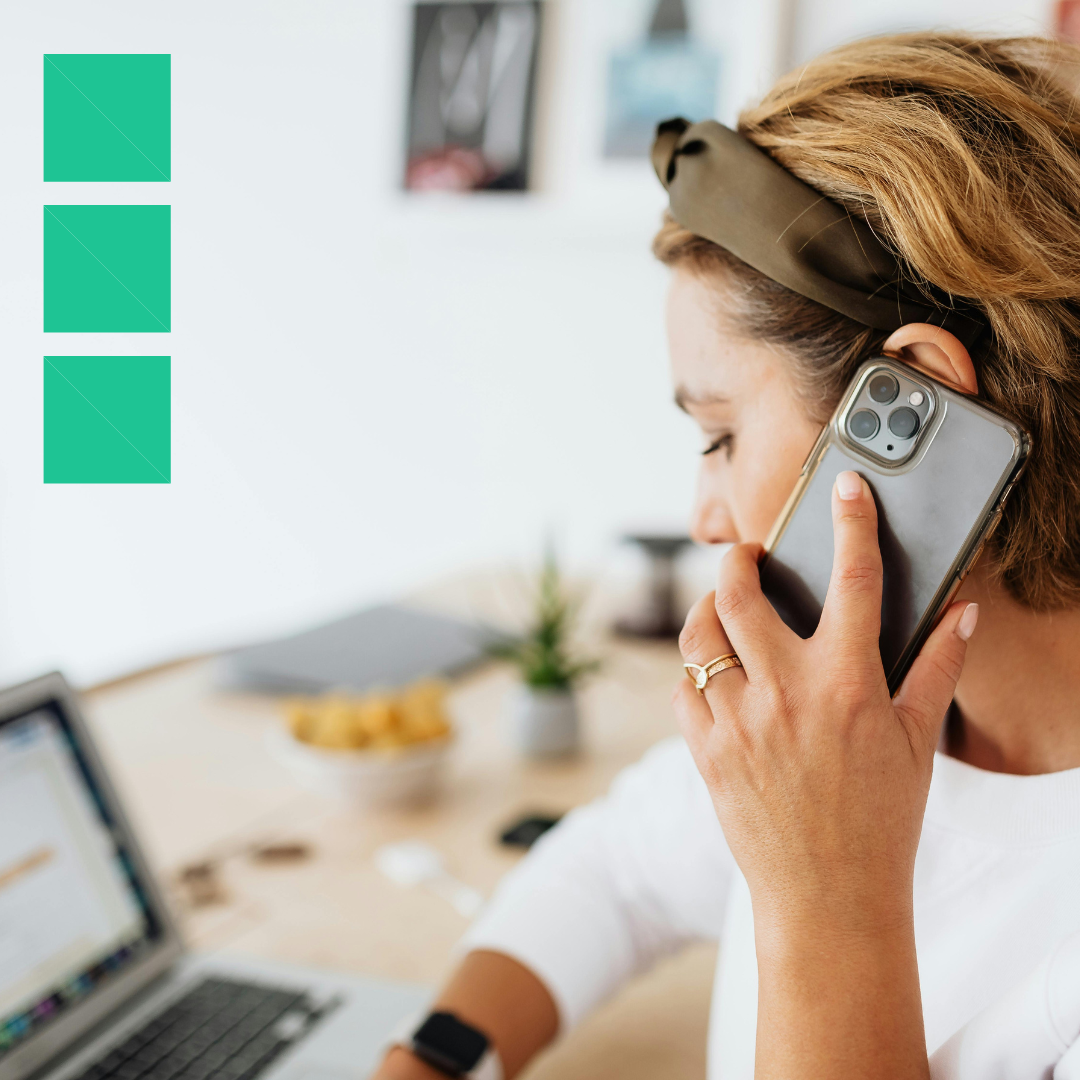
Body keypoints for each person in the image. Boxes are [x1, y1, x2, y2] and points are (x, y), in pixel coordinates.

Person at [376, 32, 1080, 1080]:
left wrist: (826, 882)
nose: (706, 513)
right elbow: (612, 870)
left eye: (719, 436)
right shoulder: (853, 713)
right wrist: (432, 1062)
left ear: (916, 413)